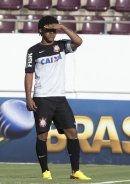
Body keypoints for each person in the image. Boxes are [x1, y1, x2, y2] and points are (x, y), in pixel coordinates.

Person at [24, 16, 91, 180]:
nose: (52, 33)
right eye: (49, 30)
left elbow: (79, 41)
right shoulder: (33, 51)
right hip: (42, 99)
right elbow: (29, 75)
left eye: (54, 30)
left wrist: (62, 27)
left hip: (60, 99)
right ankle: (45, 171)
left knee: (72, 132)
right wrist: (28, 97)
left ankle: (75, 171)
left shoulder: (61, 45)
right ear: (40, 31)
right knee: (42, 135)